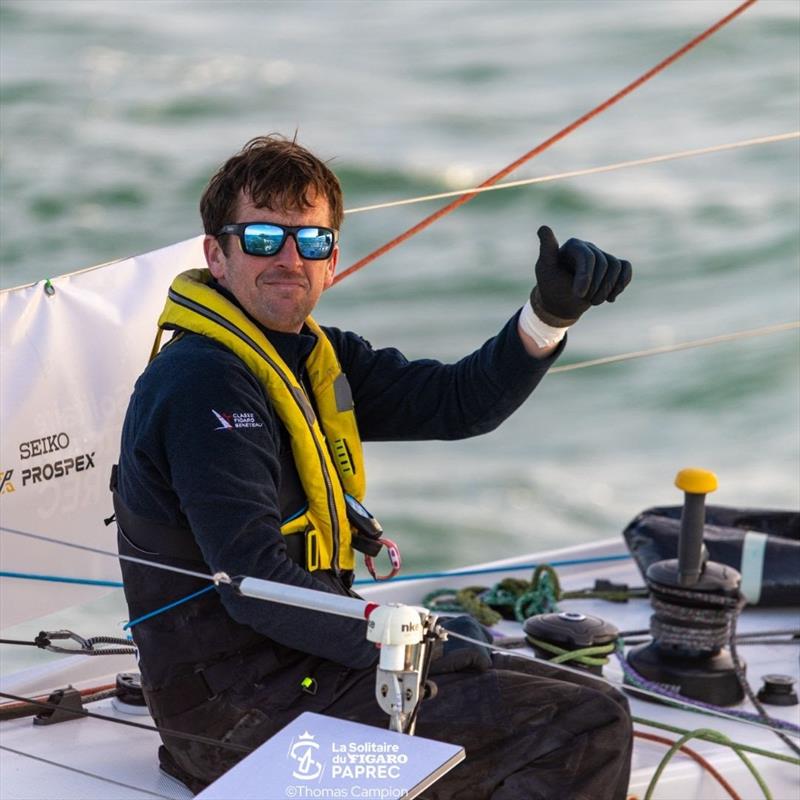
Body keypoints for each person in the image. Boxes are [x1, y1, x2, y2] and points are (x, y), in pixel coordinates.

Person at [114, 134, 634, 799]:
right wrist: (421, 646)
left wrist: (549, 315)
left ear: (332, 260)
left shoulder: (315, 358)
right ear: (217, 255)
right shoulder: (202, 383)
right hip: (234, 718)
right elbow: (253, 581)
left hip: (304, 672)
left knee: (584, 694)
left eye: (312, 241)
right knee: (584, 723)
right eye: (264, 238)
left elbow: (457, 403)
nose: (290, 259)